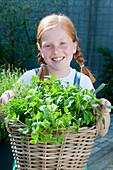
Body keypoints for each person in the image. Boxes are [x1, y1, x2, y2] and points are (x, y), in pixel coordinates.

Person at [0, 14, 111, 170]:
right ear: (40, 48)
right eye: (48, 45)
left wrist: (103, 113)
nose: (56, 50)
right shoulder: (29, 78)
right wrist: (5, 101)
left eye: (62, 43)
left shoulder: (82, 82)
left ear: (74, 46)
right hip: (31, 164)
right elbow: (4, 119)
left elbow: (101, 132)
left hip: (71, 164)